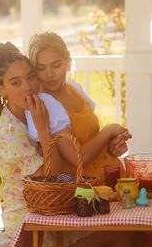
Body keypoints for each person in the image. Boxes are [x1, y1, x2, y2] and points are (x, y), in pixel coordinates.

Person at [0, 42, 145, 247]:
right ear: (1, 90)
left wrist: (110, 146)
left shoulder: (37, 110)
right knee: (125, 238)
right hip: (32, 226)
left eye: (31, 77)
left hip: (56, 209)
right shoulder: (9, 132)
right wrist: (43, 130)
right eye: (16, 83)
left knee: (137, 236)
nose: (28, 87)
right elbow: (53, 177)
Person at [29, 31, 131, 182]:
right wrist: (108, 131)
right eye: (41, 68)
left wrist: (111, 146)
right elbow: (78, 158)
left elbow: (92, 139)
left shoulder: (74, 88)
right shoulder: (45, 105)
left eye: (56, 65)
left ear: (68, 63)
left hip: (115, 178)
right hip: (86, 192)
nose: (49, 74)